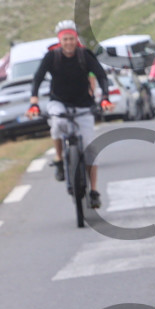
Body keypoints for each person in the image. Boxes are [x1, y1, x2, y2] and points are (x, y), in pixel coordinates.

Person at [30, 20, 113, 207]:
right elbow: (38, 78)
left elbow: (101, 76)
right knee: (57, 124)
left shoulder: (85, 55)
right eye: (65, 39)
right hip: (59, 102)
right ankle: (59, 159)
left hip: (84, 105)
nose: (68, 42)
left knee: (90, 150)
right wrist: (34, 101)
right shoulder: (52, 57)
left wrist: (105, 98)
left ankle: (93, 191)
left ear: (76, 39)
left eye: (71, 39)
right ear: (60, 40)